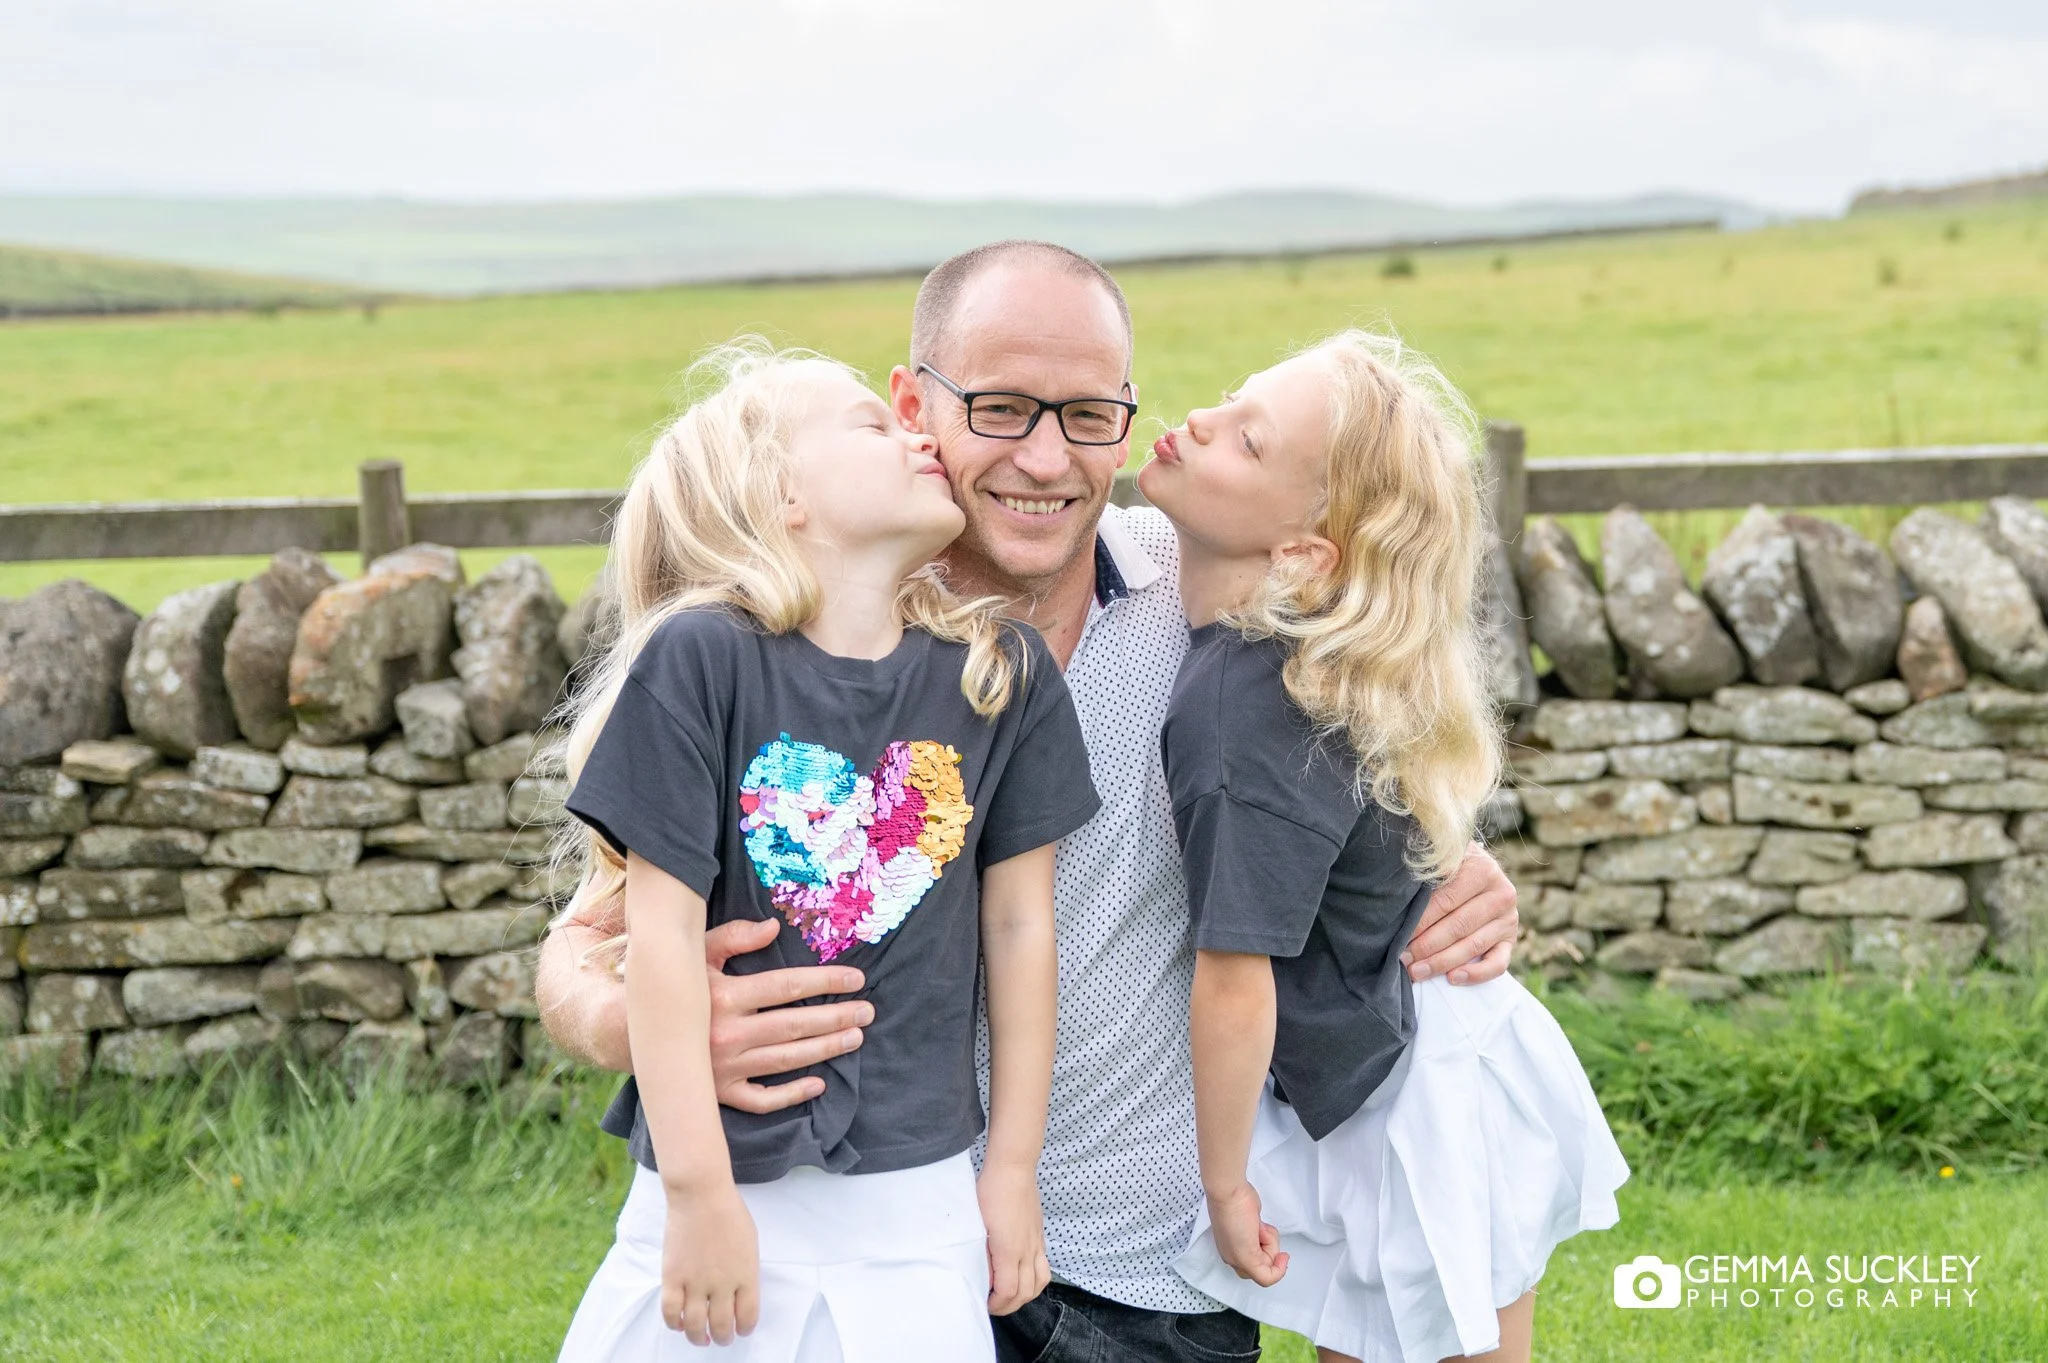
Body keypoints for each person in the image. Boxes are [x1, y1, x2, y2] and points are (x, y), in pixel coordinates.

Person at [538, 241, 1527, 1363]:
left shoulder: (1216, 597)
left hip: (1149, 1287)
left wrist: (1451, 868)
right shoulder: (800, 633)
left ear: (1128, 422)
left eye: (1089, 415)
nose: (1046, 458)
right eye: (1001, 408)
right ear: (913, 407)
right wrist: (641, 1026)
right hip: (865, 1243)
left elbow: (1366, 743)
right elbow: (588, 939)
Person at [551, 343, 1102, 1362]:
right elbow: (659, 938)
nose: (915, 435)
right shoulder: (702, 660)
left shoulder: (1001, 676)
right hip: (722, 1194)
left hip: (918, 1208)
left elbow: (1023, 927)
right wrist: (697, 1192)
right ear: (782, 495)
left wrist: (1011, 1168)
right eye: (871, 424)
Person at [1145, 329, 1629, 1363]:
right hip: (1404, 1052)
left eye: (1246, 439)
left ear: (1301, 553)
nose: (1199, 420)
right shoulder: (1303, 661)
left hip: (1417, 1083)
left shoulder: (1240, 707)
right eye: (1229, 400)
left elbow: (1235, 973)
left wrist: (1224, 1184)